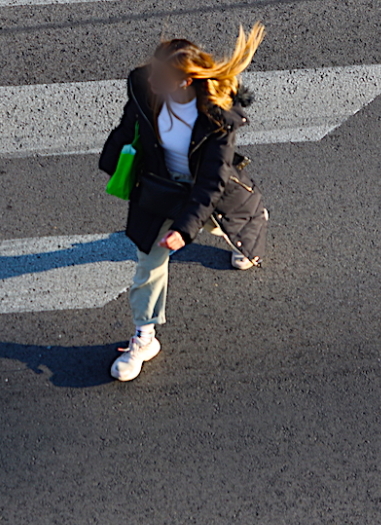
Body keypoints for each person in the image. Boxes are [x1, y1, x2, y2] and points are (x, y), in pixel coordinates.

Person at [98, 23, 269, 382]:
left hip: (200, 194)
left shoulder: (217, 119)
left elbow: (211, 182)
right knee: (149, 264)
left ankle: (248, 223)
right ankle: (144, 338)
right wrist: (113, 161)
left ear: (185, 82)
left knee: (229, 220)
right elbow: (129, 125)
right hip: (158, 191)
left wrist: (184, 229)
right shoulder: (145, 90)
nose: (153, 82)